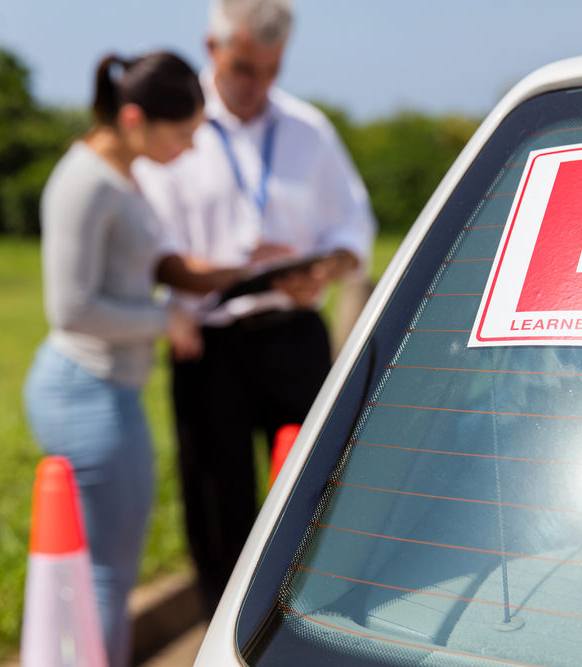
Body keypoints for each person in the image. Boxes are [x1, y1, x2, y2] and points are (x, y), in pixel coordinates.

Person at [133, 0, 376, 616]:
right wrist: (227, 272)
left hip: (294, 334)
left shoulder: (309, 129)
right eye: (245, 69)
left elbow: (355, 227)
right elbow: (152, 244)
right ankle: (225, 626)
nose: (258, 85)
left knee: (319, 486)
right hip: (211, 343)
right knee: (218, 500)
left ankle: (322, 620)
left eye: (271, 70)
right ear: (212, 49)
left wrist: (324, 268)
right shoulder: (174, 129)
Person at [22, 52, 242, 667]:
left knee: (106, 571)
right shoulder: (84, 181)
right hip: (84, 390)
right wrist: (163, 320)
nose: (191, 149)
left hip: (107, 389)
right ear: (135, 118)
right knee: (105, 578)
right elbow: (69, 308)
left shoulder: (123, 171)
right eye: (183, 135)